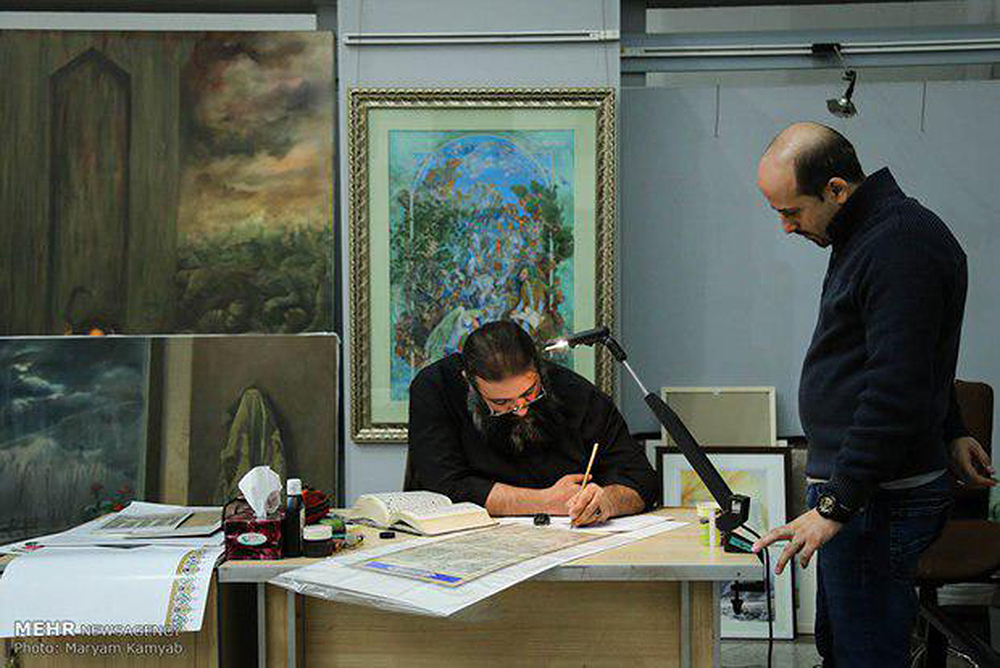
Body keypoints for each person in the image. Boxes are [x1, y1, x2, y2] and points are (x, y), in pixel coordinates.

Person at [751, 122, 995, 666]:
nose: (786, 228)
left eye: (792, 212)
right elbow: (912, 354)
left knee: (864, 656)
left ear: (837, 189)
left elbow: (896, 385)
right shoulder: (868, 235)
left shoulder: (899, 245)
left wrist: (837, 502)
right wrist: (952, 428)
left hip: (877, 498)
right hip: (865, 492)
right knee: (841, 647)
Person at [407, 319, 658, 526]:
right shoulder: (436, 388)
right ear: (469, 381)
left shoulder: (579, 395)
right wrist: (545, 501)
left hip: (568, 545)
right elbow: (442, 488)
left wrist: (607, 502)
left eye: (529, 393)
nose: (520, 410)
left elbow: (642, 482)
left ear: (539, 369)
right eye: (501, 402)